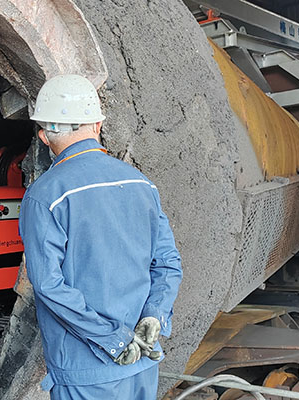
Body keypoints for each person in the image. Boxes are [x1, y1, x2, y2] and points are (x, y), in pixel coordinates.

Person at [20, 75, 183, 399]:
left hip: (86, 372)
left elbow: (49, 286)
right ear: (96, 124)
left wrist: (115, 340)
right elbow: (167, 264)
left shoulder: (45, 196)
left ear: (43, 135)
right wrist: (153, 317)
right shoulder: (141, 184)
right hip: (141, 365)